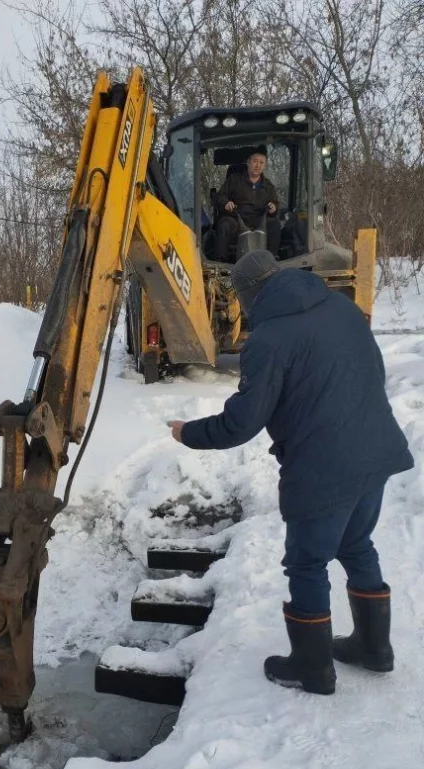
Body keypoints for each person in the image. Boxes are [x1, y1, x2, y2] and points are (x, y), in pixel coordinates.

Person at [168, 250, 414, 695]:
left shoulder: (268, 338)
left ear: (246, 295)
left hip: (323, 468)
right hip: (375, 447)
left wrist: (189, 433)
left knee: (307, 561)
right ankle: (374, 649)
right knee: (356, 543)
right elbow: (374, 370)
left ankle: (312, 668)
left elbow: (242, 422)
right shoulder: (340, 306)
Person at [214, 147, 281, 261]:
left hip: (260, 220)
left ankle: (272, 258)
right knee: (225, 225)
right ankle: (220, 261)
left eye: (261, 163)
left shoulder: (268, 186)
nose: (257, 165)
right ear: (248, 162)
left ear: (264, 166)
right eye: (255, 161)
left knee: (274, 224)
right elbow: (220, 196)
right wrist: (226, 203)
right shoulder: (234, 180)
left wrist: (273, 208)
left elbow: (275, 203)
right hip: (237, 218)